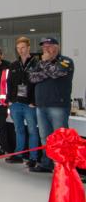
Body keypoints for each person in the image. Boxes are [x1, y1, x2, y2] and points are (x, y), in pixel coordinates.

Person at [28, 37, 74, 173]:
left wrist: (45, 65)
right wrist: (46, 69)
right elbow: (32, 77)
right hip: (41, 105)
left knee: (61, 138)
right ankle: (47, 163)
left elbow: (57, 73)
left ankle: (64, 167)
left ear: (57, 47)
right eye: (43, 47)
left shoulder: (65, 61)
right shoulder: (39, 62)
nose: (45, 49)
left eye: (49, 46)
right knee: (45, 137)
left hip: (58, 106)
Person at [6, 37, 39, 167]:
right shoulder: (14, 65)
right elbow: (9, 83)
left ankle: (33, 158)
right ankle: (18, 155)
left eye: (23, 47)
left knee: (32, 131)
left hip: (29, 104)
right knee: (18, 130)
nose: (20, 50)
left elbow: (39, 84)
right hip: (16, 104)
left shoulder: (36, 64)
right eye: (18, 48)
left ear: (28, 48)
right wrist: (9, 100)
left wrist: (34, 101)